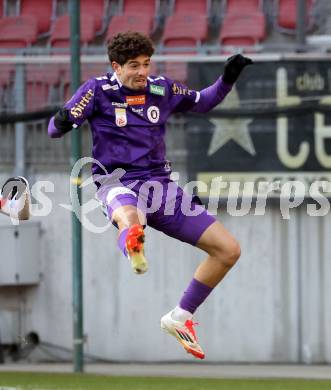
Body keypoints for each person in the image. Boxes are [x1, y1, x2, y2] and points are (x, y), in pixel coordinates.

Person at [48, 32, 253, 359]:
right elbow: (54, 128)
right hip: (116, 182)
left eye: (146, 63)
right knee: (131, 218)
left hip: (161, 187)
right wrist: (61, 121)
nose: (142, 71)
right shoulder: (97, 90)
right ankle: (133, 244)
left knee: (228, 250)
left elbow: (205, 101)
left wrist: (228, 78)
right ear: (116, 66)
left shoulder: (162, 88)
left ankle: (180, 317)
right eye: (134, 65)